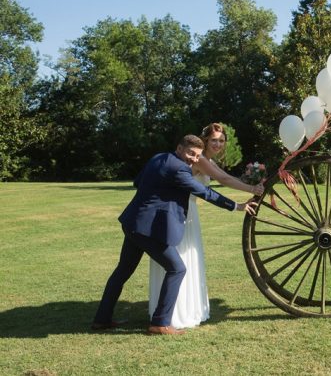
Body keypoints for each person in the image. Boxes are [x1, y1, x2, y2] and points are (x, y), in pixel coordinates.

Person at [92, 134, 254, 336]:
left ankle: (101, 319)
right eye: (190, 153)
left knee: (122, 271)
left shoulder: (158, 157)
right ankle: (160, 323)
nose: (194, 159)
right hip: (146, 229)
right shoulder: (179, 169)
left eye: (197, 156)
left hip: (133, 222)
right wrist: (236, 206)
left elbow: (138, 182)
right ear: (179, 148)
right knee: (177, 268)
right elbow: (205, 192)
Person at [148, 123, 265, 329]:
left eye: (221, 140)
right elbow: (223, 179)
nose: (218, 144)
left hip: (189, 212)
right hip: (181, 213)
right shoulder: (200, 159)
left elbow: (225, 176)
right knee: (181, 259)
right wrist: (252, 188)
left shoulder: (206, 160)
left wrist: (249, 183)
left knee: (187, 260)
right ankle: (175, 313)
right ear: (206, 140)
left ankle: (179, 309)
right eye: (214, 140)